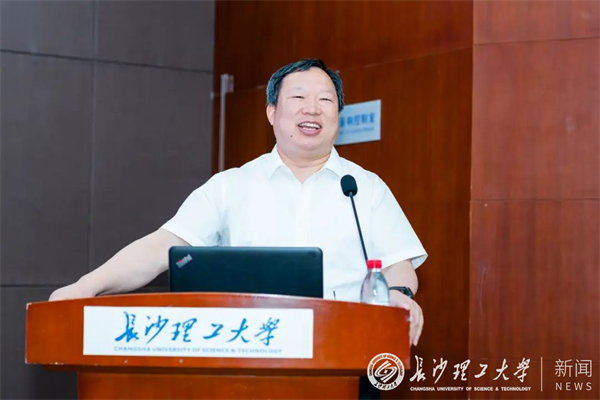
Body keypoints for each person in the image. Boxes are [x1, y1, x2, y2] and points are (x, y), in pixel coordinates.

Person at [49, 59, 427, 347]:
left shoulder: (364, 187)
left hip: (347, 349)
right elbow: (163, 246)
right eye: (298, 97)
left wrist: (399, 294)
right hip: (250, 348)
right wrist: (86, 286)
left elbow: (398, 264)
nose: (312, 108)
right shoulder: (231, 186)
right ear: (272, 112)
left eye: (325, 100)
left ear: (337, 116)